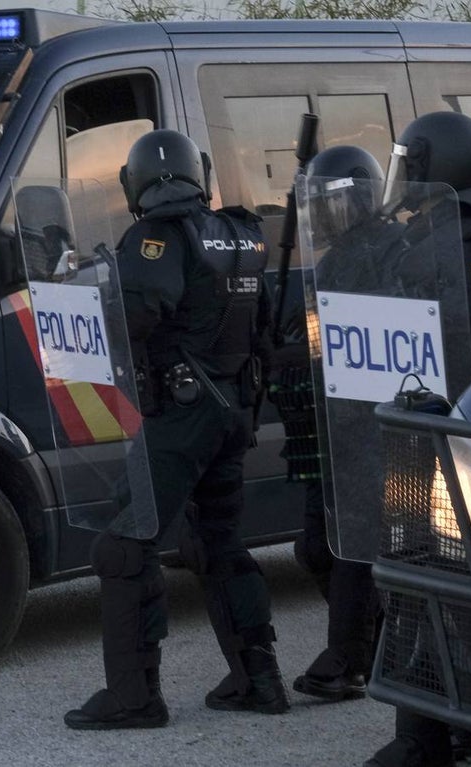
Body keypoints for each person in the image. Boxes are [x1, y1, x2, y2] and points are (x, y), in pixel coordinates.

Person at [64, 129, 289, 731]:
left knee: (123, 544)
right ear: (200, 174)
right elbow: (264, 330)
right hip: (233, 411)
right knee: (218, 541)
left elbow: (137, 313)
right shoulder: (239, 232)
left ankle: (134, 698)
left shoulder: (157, 236)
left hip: (182, 414)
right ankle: (259, 680)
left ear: (134, 184)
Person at [363, 111, 471, 767]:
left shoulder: (465, 240)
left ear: (433, 164)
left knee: (443, 584)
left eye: (411, 161)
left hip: (449, 445)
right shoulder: (435, 231)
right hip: (423, 438)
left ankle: (442, 735)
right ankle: (430, 730)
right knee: (417, 580)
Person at [287, 145, 400, 704]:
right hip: (335, 422)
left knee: (353, 544)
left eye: (331, 202)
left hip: (372, 423)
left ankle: (349, 657)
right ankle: (375, 646)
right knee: (315, 546)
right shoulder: (333, 260)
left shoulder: (391, 252)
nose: (323, 215)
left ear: (360, 199)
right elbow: (319, 339)